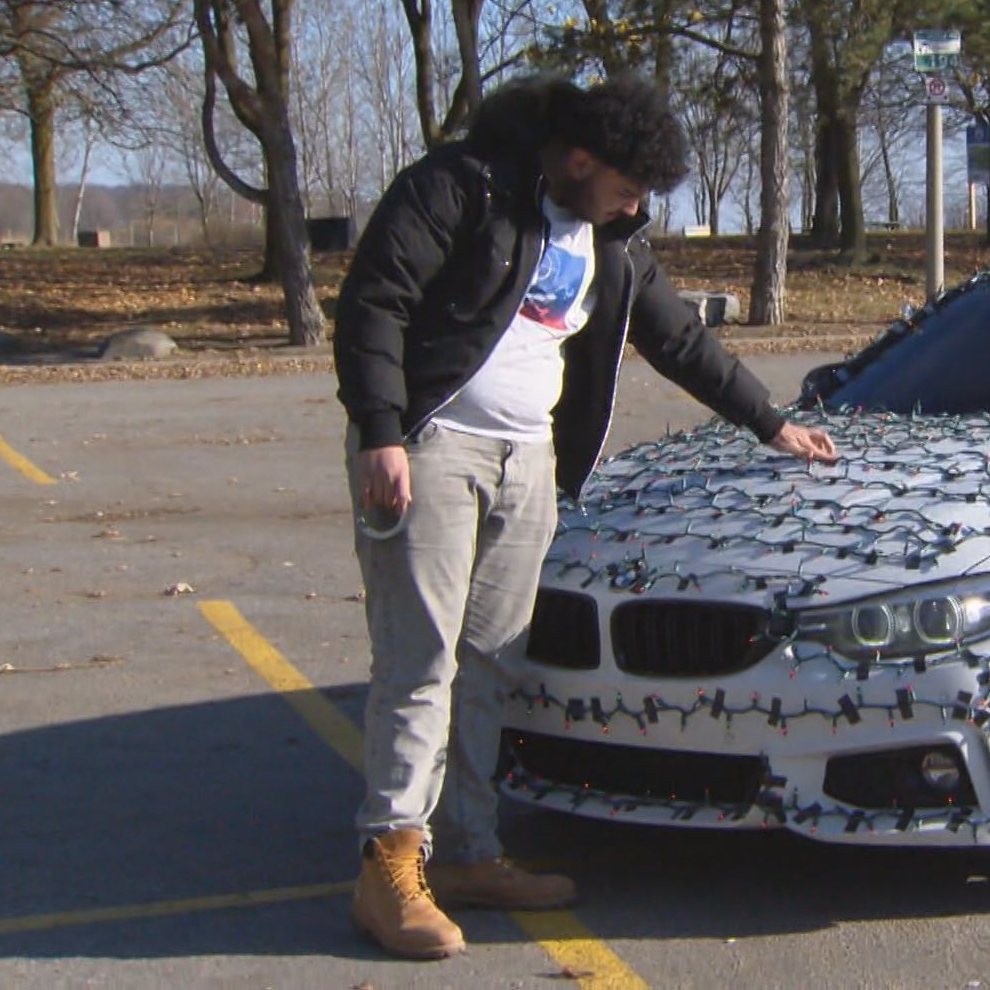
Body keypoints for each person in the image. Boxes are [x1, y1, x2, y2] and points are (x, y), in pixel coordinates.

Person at [333, 73, 839, 960]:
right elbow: (375, 298)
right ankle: (390, 866)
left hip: (529, 463)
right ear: (578, 159)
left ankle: (468, 854)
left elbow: (679, 338)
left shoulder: (612, 239)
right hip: (431, 447)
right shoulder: (460, 188)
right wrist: (381, 431)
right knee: (420, 661)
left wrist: (773, 421)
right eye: (628, 185)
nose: (636, 204)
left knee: (492, 661)